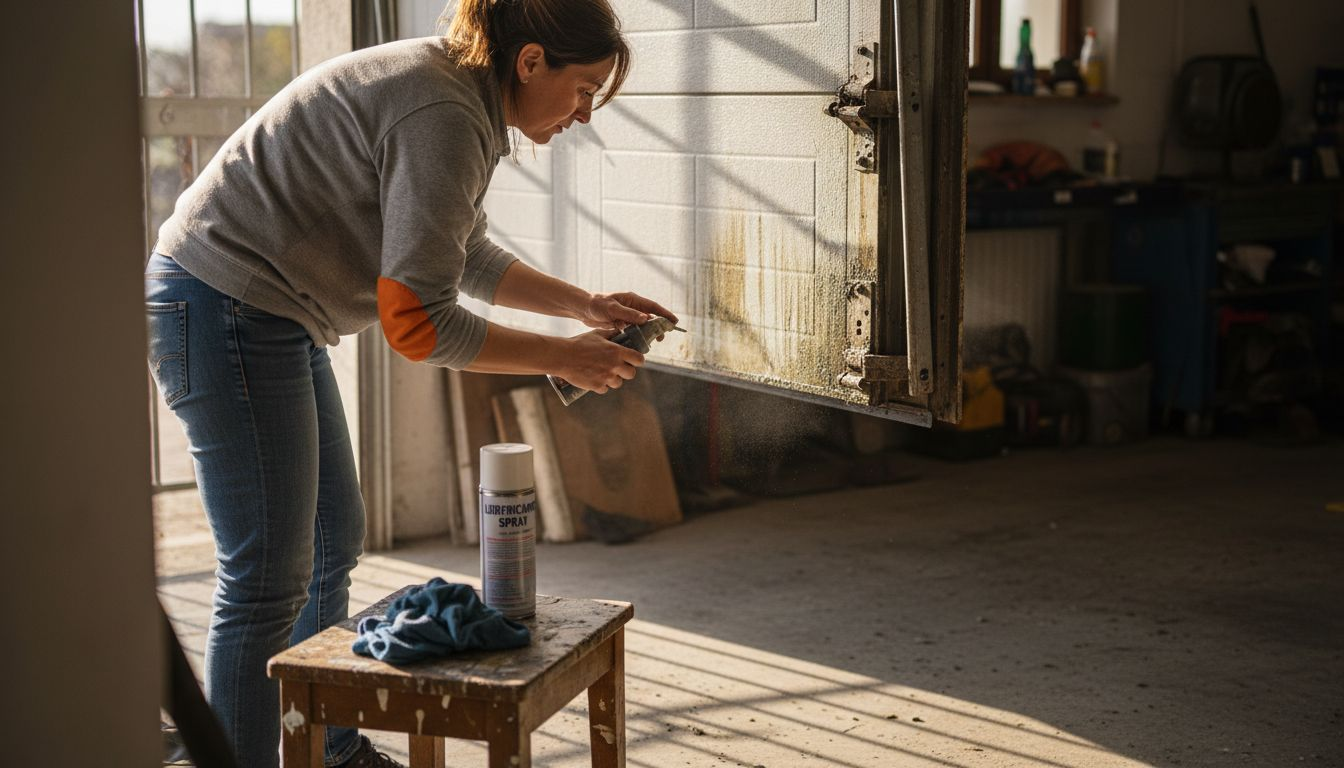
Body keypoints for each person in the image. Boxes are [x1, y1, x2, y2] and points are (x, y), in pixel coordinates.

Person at [144, 0, 674, 765]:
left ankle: (325, 748)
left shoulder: (460, 95)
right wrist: (563, 356)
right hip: (223, 302)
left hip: (264, 312)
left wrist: (581, 306)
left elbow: (461, 249)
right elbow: (418, 325)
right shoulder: (444, 112)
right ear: (530, 62)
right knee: (265, 577)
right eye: (584, 88)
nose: (585, 114)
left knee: (330, 542)